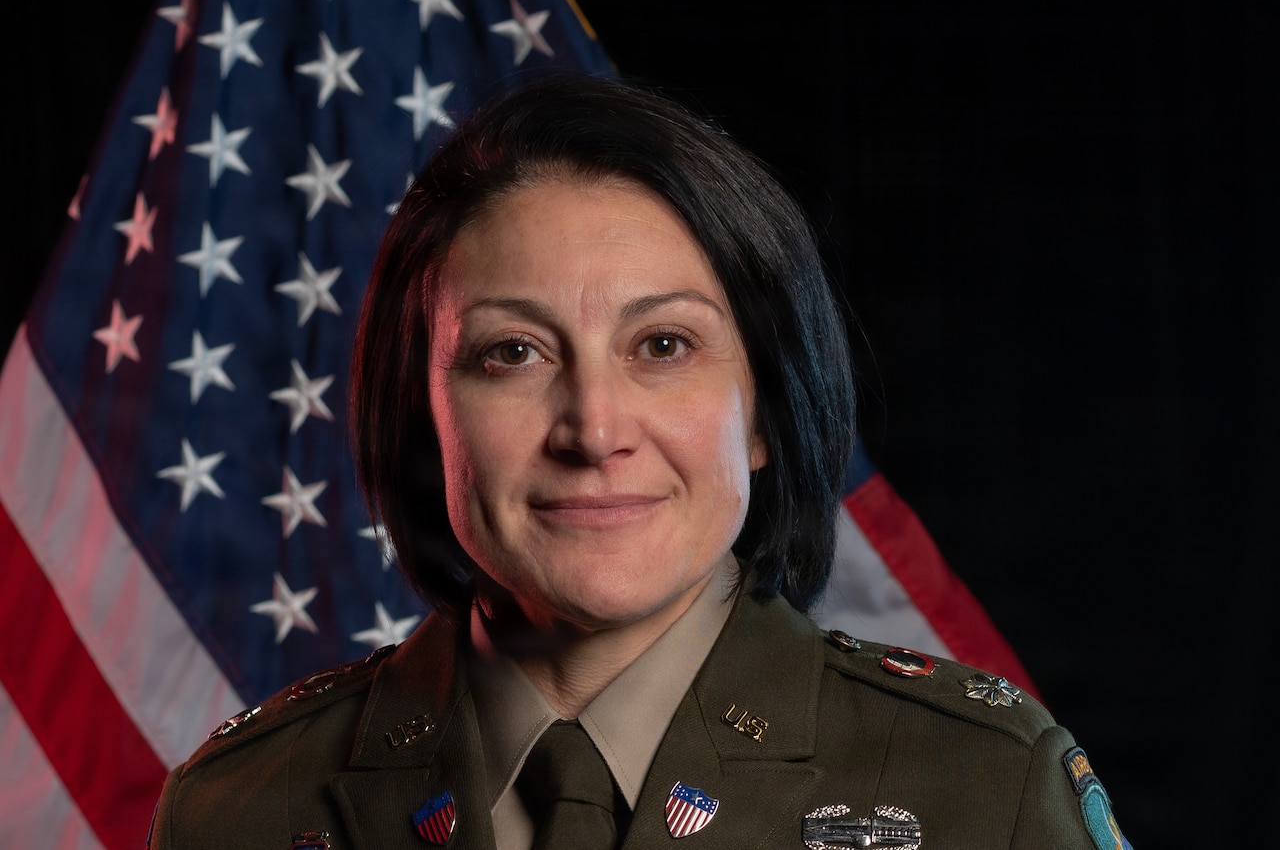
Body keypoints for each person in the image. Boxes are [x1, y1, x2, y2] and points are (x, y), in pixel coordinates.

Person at [148, 74, 1130, 850]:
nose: (594, 429)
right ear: (424, 415)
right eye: (512, 352)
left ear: (763, 411)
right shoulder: (241, 809)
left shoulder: (984, 788)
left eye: (662, 345)